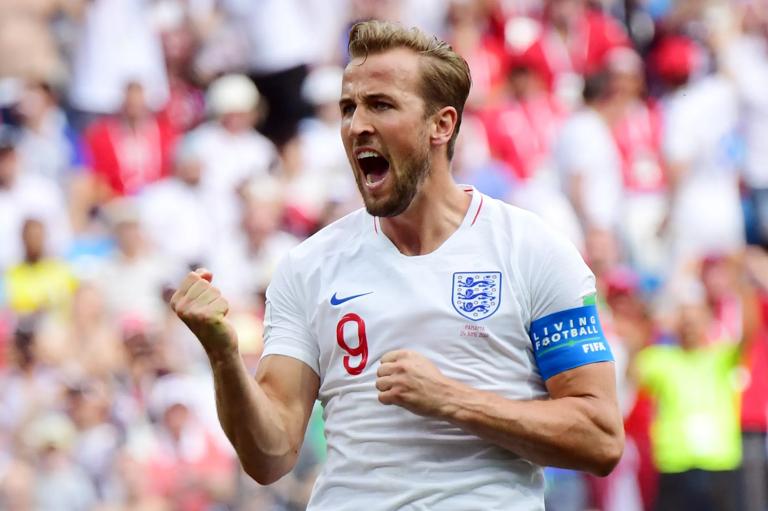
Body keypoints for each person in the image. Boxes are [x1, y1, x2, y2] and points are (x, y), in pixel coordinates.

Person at [171, 20, 623, 510]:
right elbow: (270, 456)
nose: (356, 125)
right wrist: (223, 356)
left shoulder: (532, 250)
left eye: (381, 105)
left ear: (441, 125)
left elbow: (600, 438)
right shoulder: (308, 267)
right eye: (349, 108)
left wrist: (451, 399)